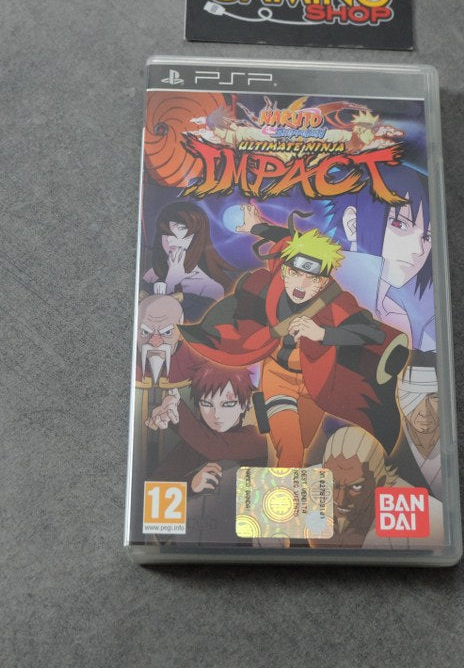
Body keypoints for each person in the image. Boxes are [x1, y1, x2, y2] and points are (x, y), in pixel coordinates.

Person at [179, 206, 410, 467]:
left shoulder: (336, 302)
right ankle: (279, 492)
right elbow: (286, 240)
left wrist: (323, 333)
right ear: (285, 270)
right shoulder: (274, 281)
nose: (301, 284)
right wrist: (256, 227)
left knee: (302, 444)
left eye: (312, 278)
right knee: (291, 449)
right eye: (295, 273)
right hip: (278, 376)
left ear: (323, 282)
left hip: (317, 383)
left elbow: (371, 332)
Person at [326, 162, 434, 350]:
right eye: (399, 224)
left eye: (427, 237)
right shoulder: (313, 290)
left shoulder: (399, 317)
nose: (418, 250)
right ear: (353, 224)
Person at [310, 426, 444, 549]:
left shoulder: (422, 515)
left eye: (356, 486)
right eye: (333, 484)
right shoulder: (308, 486)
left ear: (380, 482)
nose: (341, 500)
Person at [146, 364, 267, 490]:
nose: (216, 414)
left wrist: (177, 412)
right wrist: (191, 484)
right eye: (206, 404)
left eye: (228, 404)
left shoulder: (260, 436)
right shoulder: (194, 444)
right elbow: (153, 488)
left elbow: (216, 447)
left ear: (246, 404)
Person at [142, 201, 234, 320]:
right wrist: (171, 281)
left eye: (181, 228)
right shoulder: (152, 274)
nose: (170, 239)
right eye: (165, 232)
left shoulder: (210, 288)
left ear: (198, 237)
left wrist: (171, 282)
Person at [389, 355, 442, 500]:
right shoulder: (388, 458)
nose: (424, 411)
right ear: (398, 396)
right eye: (413, 396)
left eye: (434, 396)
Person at [135, 294, 204, 386]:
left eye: (167, 332)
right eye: (145, 332)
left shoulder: (195, 361)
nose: (155, 343)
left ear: (181, 334)